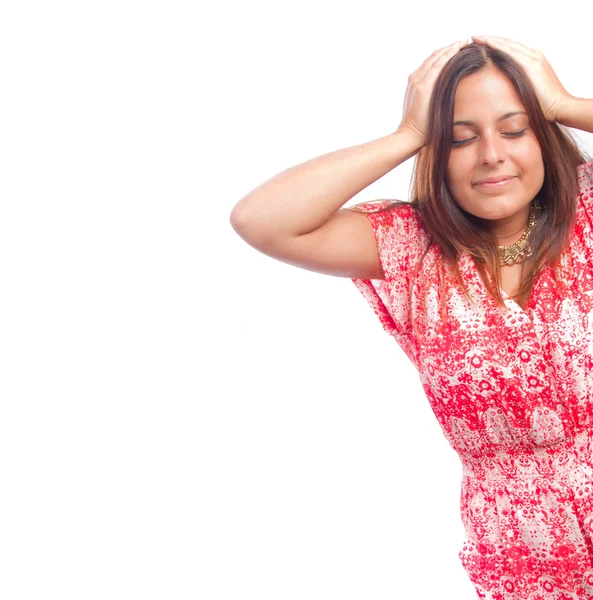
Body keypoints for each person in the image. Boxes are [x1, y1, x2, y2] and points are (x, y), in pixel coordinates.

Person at [229, 36, 593, 599]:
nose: (491, 153)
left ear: (543, 137)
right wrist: (407, 135)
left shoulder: (587, 217)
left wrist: (566, 103)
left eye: (515, 129)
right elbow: (261, 219)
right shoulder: (412, 248)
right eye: (460, 139)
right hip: (520, 566)